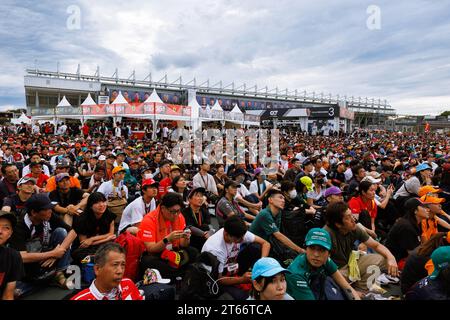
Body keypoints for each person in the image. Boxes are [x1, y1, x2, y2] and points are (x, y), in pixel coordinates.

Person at [8, 194, 77, 297]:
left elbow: (73, 232)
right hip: (27, 263)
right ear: (34, 213)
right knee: (16, 292)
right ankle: (46, 279)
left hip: (45, 252)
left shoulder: (49, 215)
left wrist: (57, 253)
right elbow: (22, 257)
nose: (50, 211)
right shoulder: (19, 225)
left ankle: (58, 273)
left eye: (50, 208)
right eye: (46, 209)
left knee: (61, 232)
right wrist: (52, 253)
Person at [323, 201, 398, 289]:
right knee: (330, 282)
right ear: (338, 224)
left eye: (351, 215)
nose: (353, 219)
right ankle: (352, 291)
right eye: (348, 217)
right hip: (335, 271)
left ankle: (361, 290)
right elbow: (324, 266)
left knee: (384, 258)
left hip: (349, 262)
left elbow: (376, 246)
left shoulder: (353, 227)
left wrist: (391, 257)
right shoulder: (326, 235)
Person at [201, 216, 270, 300]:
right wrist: (242, 280)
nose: (242, 240)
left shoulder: (238, 232)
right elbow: (219, 279)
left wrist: (261, 265)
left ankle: (247, 276)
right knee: (242, 296)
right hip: (216, 277)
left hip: (231, 266)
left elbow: (265, 243)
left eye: (243, 237)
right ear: (226, 234)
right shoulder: (216, 249)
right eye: (238, 239)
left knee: (256, 247)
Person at [286, 228, 360, 300]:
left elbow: (346, 286)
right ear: (306, 249)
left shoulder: (325, 260)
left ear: (329, 253)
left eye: (321, 249)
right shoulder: (296, 274)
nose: (316, 254)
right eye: (312, 248)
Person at [137, 193, 197, 280]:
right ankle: (181, 274)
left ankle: (178, 274)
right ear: (163, 208)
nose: (176, 214)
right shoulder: (149, 220)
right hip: (155, 254)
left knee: (193, 251)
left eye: (178, 211)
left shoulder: (180, 217)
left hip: (172, 251)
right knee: (148, 262)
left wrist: (186, 238)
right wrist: (167, 239)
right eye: (172, 211)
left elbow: (183, 245)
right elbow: (151, 249)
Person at [71, 243, 144, 300]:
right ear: (97, 269)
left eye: (123, 265)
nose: (120, 271)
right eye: (115, 265)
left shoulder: (128, 284)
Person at [250, 189, 305, 261]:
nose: (283, 200)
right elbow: (278, 235)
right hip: (255, 247)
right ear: (270, 200)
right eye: (280, 197)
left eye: (284, 199)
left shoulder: (278, 212)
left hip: (268, 244)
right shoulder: (265, 214)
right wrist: (299, 250)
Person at [71, 192, 116, 265]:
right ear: (90, 206)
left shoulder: (110, 215)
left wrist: (92, 239)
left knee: (115, 252)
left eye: (103, 201)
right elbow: (84, 243)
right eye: (97, 203)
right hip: (84, 249)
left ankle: (97, 259)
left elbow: (111, 234)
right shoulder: (82, 219)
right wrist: (107, 238)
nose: (101, 205)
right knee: (81, 257)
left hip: (102, 244)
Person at [385, 198, 431, 268]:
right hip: (395, 262)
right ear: (415, 211)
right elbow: (412, 254)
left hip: (404, 257)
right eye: (424, 207)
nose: (428, 210)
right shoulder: (406, 226)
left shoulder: (416, 223)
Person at [0, 211, 24, 300]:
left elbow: (7, 295)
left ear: (10, 234)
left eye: (6, 228)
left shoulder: (13, 256)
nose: (0, 231)